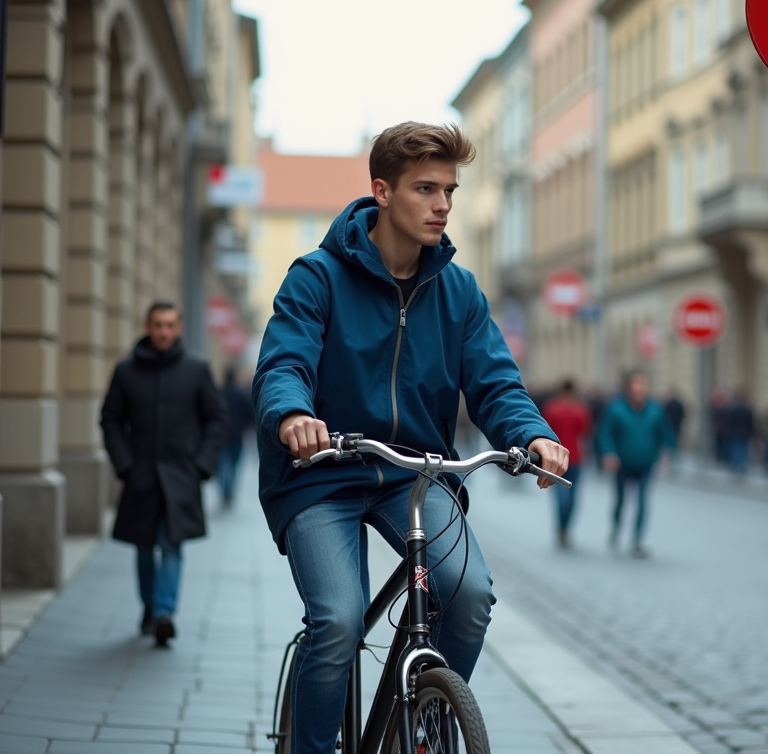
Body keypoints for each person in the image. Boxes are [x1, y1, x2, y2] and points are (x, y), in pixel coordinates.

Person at [252, 122, 568, 754]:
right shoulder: (317, 276)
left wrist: (532, 434)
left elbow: (496, 383)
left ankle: (418, 726)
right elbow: (284, 363)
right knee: (339, 621)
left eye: (449, 190)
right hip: (324, 471)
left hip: (417, 475)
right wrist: (293, 418)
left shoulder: (458, 291)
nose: (442, 205)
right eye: (425, 188)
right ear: (382, 192)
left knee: (470, 596)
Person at [100, 301, 227, 646]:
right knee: (143, 546)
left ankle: (164, 613)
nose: (163, 332)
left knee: (171, 545)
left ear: (179, 328)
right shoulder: (126, 371)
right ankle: (151, 607)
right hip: (140, 476)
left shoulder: (197, 368)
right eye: (157, 325)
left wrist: (202, 465)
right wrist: (124, 464)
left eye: (170, 325)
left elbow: (216, 418)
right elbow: (110, 419)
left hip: (180, 477)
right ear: (147, 325)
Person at [597, 370, 676, 558]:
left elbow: (666, 434)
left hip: (646, 464)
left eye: (643, 385)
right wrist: (609, 453)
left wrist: (665, 454)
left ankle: (638, 539)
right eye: (636, 385)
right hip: (622, 463)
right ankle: (616, 525)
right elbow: (605, 433)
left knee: (642, 500)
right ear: (629, 388)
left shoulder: (655, 410)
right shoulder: (616, 409)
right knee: (620, 500)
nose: (639, 389)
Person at [542, 378, 592, 548]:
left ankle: (562, 528)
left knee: (560, 497)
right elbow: (585, 430)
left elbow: (546, 430)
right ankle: (565, 528)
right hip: (575, 458)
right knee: (572, 497)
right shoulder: (580, 410)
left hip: (556, 457)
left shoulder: (552, 408)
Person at [217, 365, 255, 507]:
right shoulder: (240, 393)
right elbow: (249, 413)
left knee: (222, 463)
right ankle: (230, 486)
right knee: (234, 463)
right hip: (237, 434)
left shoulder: (219, 392)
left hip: (221, 434)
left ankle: (225, 487)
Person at [724, 388, 756, 476]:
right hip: (745, 432)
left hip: (735, 432)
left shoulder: (732, 409)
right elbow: (751, 421)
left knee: (736, 448)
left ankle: (736, 464)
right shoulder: (747, 409)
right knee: (743, 448)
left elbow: (729, 421)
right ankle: (742, 464)